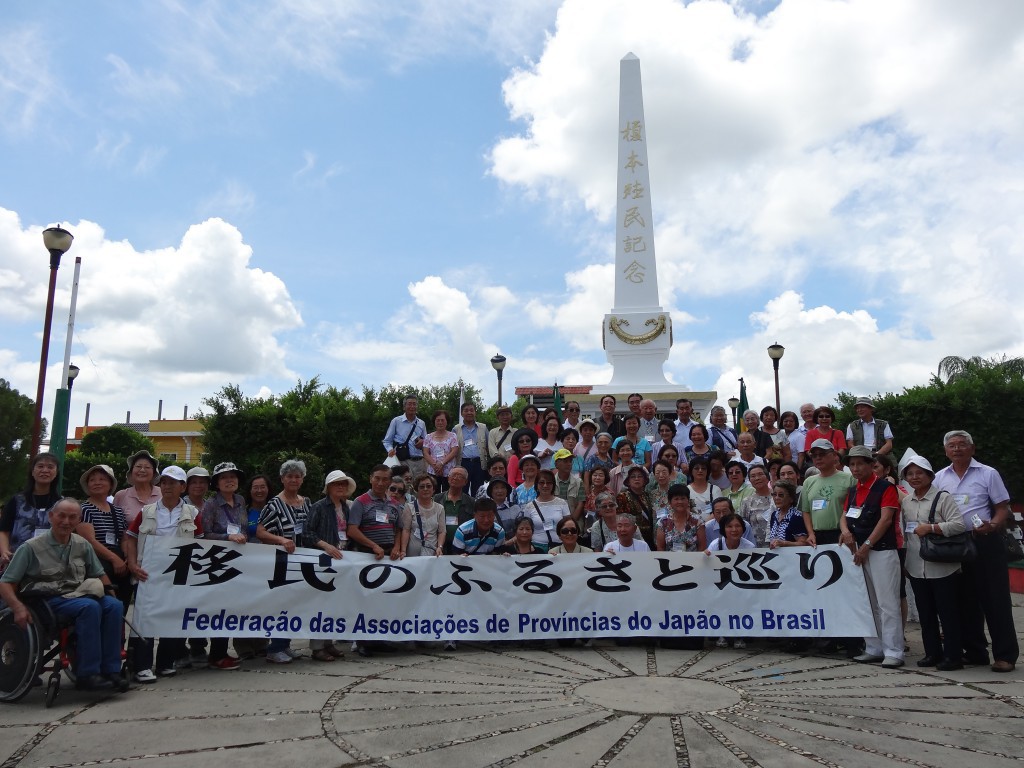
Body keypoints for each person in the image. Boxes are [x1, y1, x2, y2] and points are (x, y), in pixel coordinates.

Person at [0, 499, 128, 692]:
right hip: (46, 600)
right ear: (51, 517)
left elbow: (100, 574)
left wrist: (113, 597)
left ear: (79, 520)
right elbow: (6, 582)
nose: (66, 521)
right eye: (61, 515)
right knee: (89, 607)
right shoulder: (31, 547)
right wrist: (18, 608)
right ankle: (87, 673)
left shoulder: (82, 544)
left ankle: (111, 671)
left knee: (114, 606)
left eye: (72, 517)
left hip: (77, 595)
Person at [934, 430, 1018, 673]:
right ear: (946, 451)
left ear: (972, 448)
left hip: (985, 541)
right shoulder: (940, 477)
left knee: (995, 599)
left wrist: (992, 524)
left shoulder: (988, 473)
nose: (957, 449)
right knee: (964, 600)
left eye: (962, 444)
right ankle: (975, 652)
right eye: (952, 445)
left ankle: (1005, 655)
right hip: (955, 544)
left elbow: (1002, 508)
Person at [124, 466, 203, 682]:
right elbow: (130, 537)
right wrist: (132, 564)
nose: (167, 486)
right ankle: (142, 666)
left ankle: (166, 663)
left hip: (178, 574)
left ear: (182, 487)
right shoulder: (147, 511)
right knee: (144, 619)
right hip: (147, 574)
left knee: (171, 617)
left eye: (173, 482)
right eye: (164, 482)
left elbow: (202, 544)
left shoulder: (192, 513)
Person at [841, 445, 904, 668]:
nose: (856, 468)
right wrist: (846, 532)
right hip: (858, 551)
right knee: (867, 602)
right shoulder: (853, 490)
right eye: (852, 464)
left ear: (871, 465)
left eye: (860, 463)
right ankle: (874, 647)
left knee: (887, 603)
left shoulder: (885, 487)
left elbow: (886, 519)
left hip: (881, 550)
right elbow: (844, 515)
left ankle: (894, 650)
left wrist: (867, 545)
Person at [900, 455, 964, 671]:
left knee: (948, 614)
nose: (914, 477)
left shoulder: (943, 498)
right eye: (910, 474)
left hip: (943, 566)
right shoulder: (906, 501)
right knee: (926, 614)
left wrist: (932, 528)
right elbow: (906, 533)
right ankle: (932, 653)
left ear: (929, 475)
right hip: (917, 565)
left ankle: (953, 656)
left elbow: (958, 525)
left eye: (919, 472)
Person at [256, 459, 313, 664]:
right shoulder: (275, 504)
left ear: (302, 479)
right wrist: (281, 540)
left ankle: (285, 644)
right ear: (282, 479)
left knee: (295, 603)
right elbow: (260, 531)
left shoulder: (306, 502)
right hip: (281, 561)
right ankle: (275, 647)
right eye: (289, 476)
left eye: (297, 476)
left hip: (303, 560)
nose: (294, 479)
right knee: (281, 604)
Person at [199, 461, 249, 670]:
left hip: (238, 563)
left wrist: (241, 537)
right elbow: (204, 533)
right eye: (224, 477)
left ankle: (221, 651)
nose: (229, 480)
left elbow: (244, 528)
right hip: (217, 563)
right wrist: (228, 537)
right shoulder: (210, 504)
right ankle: (217, 654)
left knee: (232, 608)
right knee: (220, 608)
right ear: (217, 483)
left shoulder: (240, 500)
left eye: (233, 476)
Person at [301, 469, 354, 662]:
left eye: (343, 484)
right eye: (336, 484)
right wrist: (326, 546)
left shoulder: (347, 507)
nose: (340, 487)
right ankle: (317, 647)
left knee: (334, 604)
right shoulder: (319, 507)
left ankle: (328, 642)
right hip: (323, 560)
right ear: (328, 487)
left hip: (342, 560)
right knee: (320, 603)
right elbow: (307, 533)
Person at [76, 464, 130, 613]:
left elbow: (124, 538)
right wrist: (114, 559)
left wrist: (126, 557)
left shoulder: (118, 511)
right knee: (105, 603)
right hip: (96, 562)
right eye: (92, 480)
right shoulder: (84, 509)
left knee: (123, 601)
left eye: (102, 479)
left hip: (119, 559)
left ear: (110, 484)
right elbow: (89, 541)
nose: (97, 482)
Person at [1, 452, 62, 565]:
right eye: (40, 466)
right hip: (17, 558)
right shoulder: (17, 500)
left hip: (51, 561)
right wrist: (4, 551)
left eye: (50, 467)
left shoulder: (62, 503)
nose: (45, 470)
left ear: (56, 473)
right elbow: (4, 530)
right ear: (32, 472)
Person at [705, 511, 754, 650]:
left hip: (741, 584)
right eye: (729, 526)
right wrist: (705, 556)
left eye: (737, 526)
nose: (734, 530)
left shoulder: (749, 547)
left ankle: (740, 635)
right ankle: (722, 633)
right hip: (721, 584)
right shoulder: (716, 544)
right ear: (723, 529)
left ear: (743, 529)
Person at [799, 439, 855, 547]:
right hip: (817, 537)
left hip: (843, 534)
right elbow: (805, 510)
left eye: (822, 454)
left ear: (834, 455)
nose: (818, 458)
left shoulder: (850, 479)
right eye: (814, 456)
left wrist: (848, 531)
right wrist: (810, 533)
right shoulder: (808, 482)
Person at [518, 469, 570, 552]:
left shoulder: (562, 503)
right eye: (542, 483)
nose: (545, 485)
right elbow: (526, 529)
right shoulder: (529, 507)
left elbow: (568, 526)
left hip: (559, 547)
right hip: (536, 548)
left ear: (553, 485)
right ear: (536, 485)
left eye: (549, 483)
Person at [399, 473, 445, 558]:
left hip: (433, 553)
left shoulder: (440, 508)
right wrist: (403, 550)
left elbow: (442, 531)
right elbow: (406, 530)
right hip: (412, 554)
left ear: (433, 489)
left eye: (428, 486)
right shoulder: (409, 506)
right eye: (422, 486)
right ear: (417, 489)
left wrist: (440, 547)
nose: (425, 489)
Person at [113, 449, 161, 526]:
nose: (142, 470)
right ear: (131, 471)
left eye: (147, 467)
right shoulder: (121, 496)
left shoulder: (162, 494)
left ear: (154, 473)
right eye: (138, 466)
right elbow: (115, 524)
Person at [383, 395, 427, 476]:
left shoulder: (421, 423)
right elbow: (387, 441)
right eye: (409, 404)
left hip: (419, 462)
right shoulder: (396, 421)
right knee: (403, 486)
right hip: (402, 461)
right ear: (404, 407)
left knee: (417, 486)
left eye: (414, 404)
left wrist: (423, 442)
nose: (412, 406)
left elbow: (427, 442)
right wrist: (390, 450)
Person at [436, 466, 475, 553]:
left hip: (463, 547)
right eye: (453, 475)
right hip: (441, 546)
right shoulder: (437, 498)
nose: (455, 477)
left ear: (465, 482)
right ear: (448, 478)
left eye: (460, 476)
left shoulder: (471, 502)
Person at [616, 466, 656, 549]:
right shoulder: (622, 496)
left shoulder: (648, 495)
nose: (636, 479)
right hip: (633, 536)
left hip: (651, 535)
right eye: (633, 477)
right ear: (628, 481)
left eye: (640, 476)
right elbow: (620, 518)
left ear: (645, 480)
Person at [657, 485, 705, 552]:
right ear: (670, 502)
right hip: (670, 561)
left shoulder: (697, 521)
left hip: (692, 561)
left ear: (688, 500)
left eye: (683, 498)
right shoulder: (663, 522)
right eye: (676, 499)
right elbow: (660, 548)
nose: (680, 502)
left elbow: (702, 547)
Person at [454, 401, 489, 494]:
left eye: (471, 410)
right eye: (466, 410)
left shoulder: (483, 427)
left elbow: (488, 446)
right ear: (462, 413)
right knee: (462, 490)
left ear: (475, 412)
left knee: (478, 491)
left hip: (479, 463)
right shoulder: (456, 429)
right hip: (463, 463)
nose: (469, 413)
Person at [423, 409, 460, 493]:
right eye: (438, 420)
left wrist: (442, 463)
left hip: (448, 471)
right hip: (433, 470)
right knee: (433, 493)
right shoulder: (428, 437)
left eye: (442, 420)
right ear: (434, 421)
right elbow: (425, 453)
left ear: (447, 422)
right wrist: (435, 465)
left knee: (448, 493)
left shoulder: (452, 436)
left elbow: (454, 451)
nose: (440, 422)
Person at [739, 465, 773, 546]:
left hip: (779, 545)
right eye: (753, 476)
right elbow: (744, 526)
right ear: (750, 480)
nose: (757, 478)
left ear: (767, 477)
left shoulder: (777, 496)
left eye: (760, 474)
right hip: (756, 547)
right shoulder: (746, 502)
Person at [767, 481, 809, 548]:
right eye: (774, 494)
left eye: (781, 495)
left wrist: (784, 543)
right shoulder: (774, 515)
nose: (776, 498)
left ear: (791, 499)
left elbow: (804, 543)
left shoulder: (796, 517)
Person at [552, 449, 585, 524]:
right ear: (556, 464)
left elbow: (581, 503)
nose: (569, 464)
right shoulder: (551, 482)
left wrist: (571, 523)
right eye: (565, 461)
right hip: (555, 523)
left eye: (570, 461)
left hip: (575, 525)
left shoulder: (578, 482)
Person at [793, 403, 816, 469]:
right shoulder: (798, 431)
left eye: (809, 411)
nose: (807, 414)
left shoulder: (823, 427)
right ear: (801, 415)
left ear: (814, 412)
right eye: (804, 412)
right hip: (804, 465)